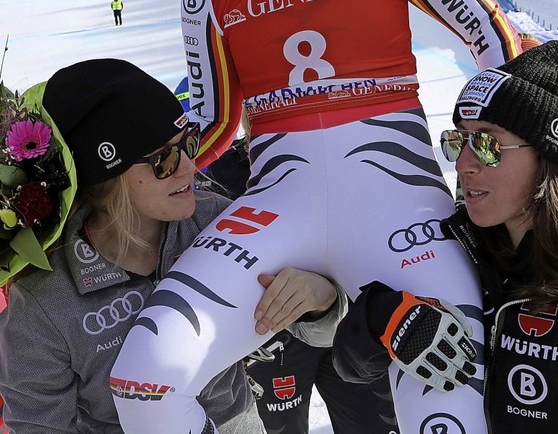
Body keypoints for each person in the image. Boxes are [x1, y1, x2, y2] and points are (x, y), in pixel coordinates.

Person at [111, 0, 522, 434]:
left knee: (445, 410)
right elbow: (213, 127)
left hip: (404, 214)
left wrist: (507, 146)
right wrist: (123, 174)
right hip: (278, 212)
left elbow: (493, 35)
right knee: (145, 377)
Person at [0, 59, 345, 433]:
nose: (189, 167)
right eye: (163, 161)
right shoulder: (44, 302)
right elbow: (38, 426)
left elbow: (321, 333)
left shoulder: (214, 221)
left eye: (188, 143)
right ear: (106, 179)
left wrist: (318, 300)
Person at [333, 41, 558, 432]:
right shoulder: (454, 247)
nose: (463, 164)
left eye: (487, 144)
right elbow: (348, 366)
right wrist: (383, 316)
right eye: (460, 140)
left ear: (548, 157)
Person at [174, 77, 398, 434]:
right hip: (271, 337)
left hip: (348, 321)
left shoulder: (337, 150)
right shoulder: (212, 173)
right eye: (248, 104)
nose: (261, 113)